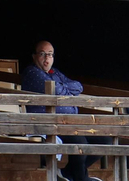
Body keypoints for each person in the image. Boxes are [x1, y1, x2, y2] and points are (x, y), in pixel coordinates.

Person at [21, 41, 92, 181]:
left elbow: (79, 86)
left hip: (68, 123)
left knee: (104, 139)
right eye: (42, 54)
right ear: (34, 56)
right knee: (80, 142)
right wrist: (65, 89)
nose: (47, 58)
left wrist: (63, 88)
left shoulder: (55, 73)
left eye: (50, 54)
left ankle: (68, 172)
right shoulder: (32, 72)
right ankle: (81, 178)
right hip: (48, 123)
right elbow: (56, 90)